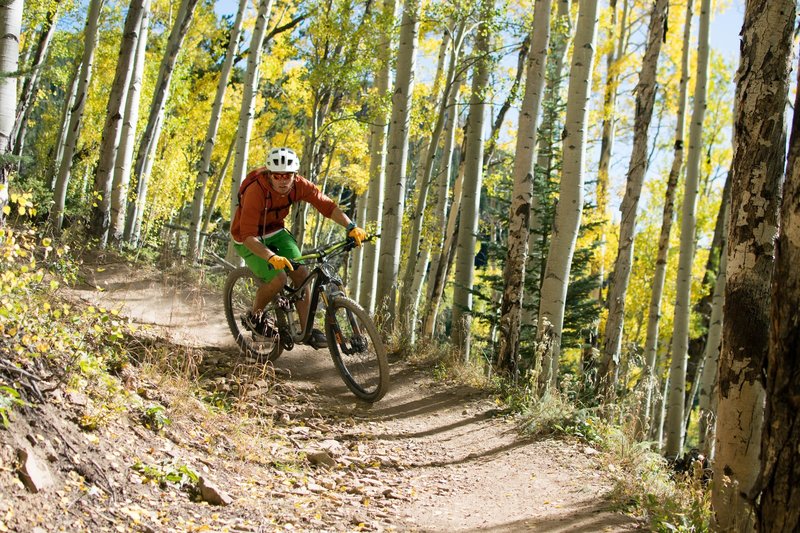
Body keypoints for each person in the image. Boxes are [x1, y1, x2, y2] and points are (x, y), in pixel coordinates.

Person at [230, 147, 367, 348]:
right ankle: (255, 316)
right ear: (269, 175)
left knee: (302, 274)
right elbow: (248, 236)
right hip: (248, 238)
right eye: (277, 176)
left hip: (276, 231)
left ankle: (306, 332)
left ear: (295, 175)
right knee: (279, 277)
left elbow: (327, 206)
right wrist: (270, 257)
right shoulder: (255, 192)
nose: (283, 180)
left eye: (287, 175)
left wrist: (351, 226)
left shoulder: (299, 185)